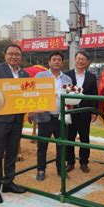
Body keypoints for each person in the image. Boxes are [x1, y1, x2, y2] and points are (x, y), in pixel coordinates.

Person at [0, 44, 29, 204]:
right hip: (0, 119)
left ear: (21, 57)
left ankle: (8, 183)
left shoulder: (24, 73)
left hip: (17, 119)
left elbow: (27, 95)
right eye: (11, 54)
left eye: (17, 54)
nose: (14, 57)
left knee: (12, 153)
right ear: (5, 56)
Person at [31, 51, 72, 181]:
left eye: (59, 59)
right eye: (54, 59)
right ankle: (41, 170)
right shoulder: (40, 76)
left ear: (62, 63)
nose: (56, 61)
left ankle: (61, 170)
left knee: (61, 146)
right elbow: (33, 93)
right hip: (45, 116)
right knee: (42, 146)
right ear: (49, 62)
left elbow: (70, 97)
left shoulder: (67, 79)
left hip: (61, 117)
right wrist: (32, 110)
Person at [65, 51, 98, 173]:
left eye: (83, 59)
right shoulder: (66, 75)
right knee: (69, 137)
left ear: (87, 62)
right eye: (78, 58)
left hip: (85, 112)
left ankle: (84, 162)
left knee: (85, 138)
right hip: (70, 112)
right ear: (75, 60)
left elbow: (94, 94)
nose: (80, 61)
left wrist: (94, 112)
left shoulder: (91, 77)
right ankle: (70, 162)